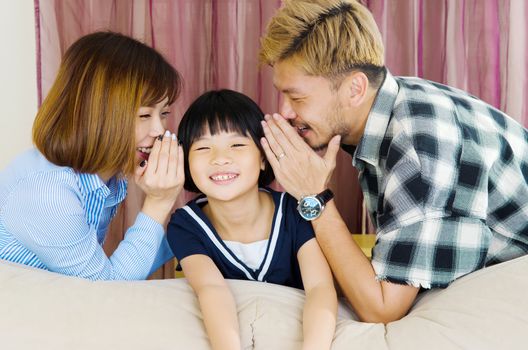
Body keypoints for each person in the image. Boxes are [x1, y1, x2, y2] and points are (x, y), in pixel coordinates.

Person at [258, 0, 528, 323]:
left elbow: (382, 307)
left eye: (297, 97)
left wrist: (315, 198)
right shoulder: (395, 107)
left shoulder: (418, 147)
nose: (284, 111)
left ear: (355, 89)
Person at [0, 32, 184, 280]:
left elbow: (104, 272)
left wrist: (192, 230)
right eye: (144, 115)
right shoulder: (47, 194)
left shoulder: (106, 176)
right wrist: (158, 204)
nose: (159, 131)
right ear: (97, 115)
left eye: (163, 113)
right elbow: (107, 286)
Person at [167, 89, 336, 350]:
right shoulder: (185, 225)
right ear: (185, 161)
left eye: (236, 144)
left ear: (262, 157)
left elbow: (320, 288)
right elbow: (211, 289)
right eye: (202, 147)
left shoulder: (295, 210)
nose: (220, 158)